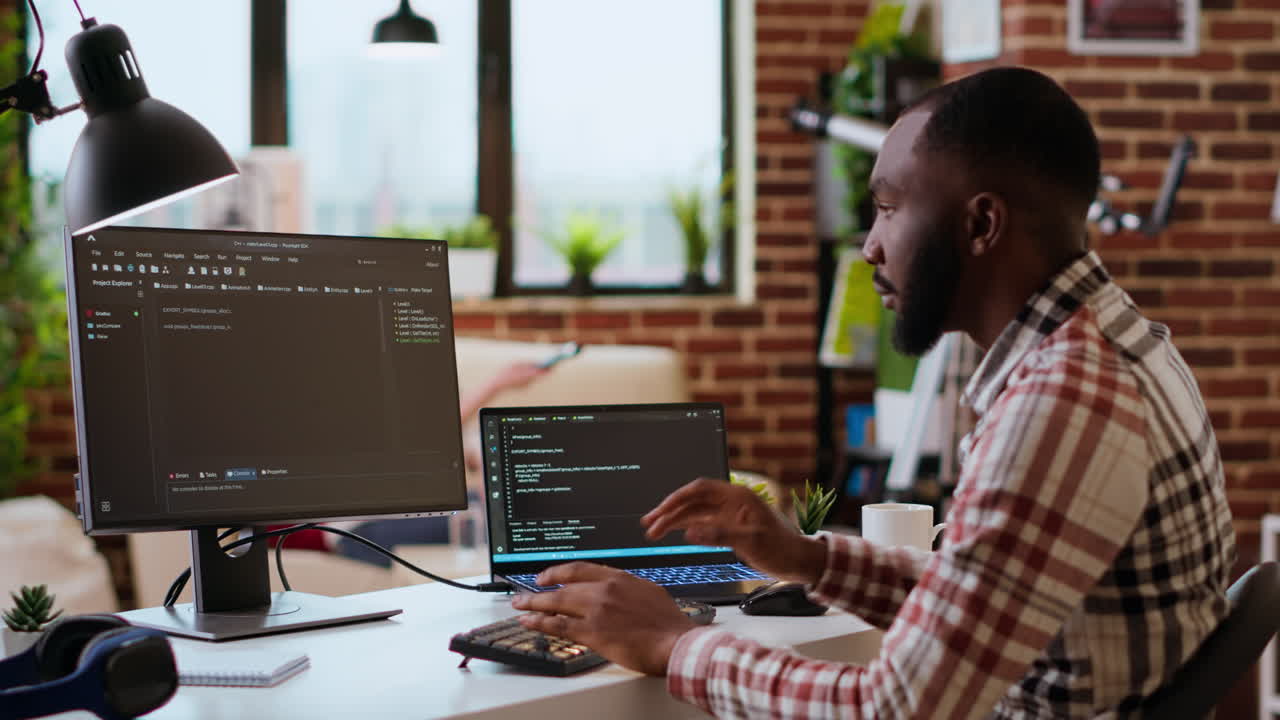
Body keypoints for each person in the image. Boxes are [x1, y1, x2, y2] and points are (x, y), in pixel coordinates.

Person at [509, 66, 1237, 718]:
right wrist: (802, 558)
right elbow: (983, 593)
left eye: (889, 209)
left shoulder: (1061, 401)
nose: (869, 247)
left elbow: (894, 706)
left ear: (981, 224)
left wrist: (671, 642)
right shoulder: (1120, 342)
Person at [326, 360, 552, 565]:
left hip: (425, 517)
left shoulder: (460, 431)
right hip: (361, 533)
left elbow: (492, 496)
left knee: (509, 510)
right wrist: (497, 384)